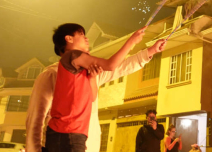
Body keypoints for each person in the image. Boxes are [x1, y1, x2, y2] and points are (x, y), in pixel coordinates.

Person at [25, 23, 166, 152]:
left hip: (85, 143)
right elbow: (35, 119)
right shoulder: (51, 74)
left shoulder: (89, 72)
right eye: (81, 34)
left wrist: (150, 51)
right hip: (63, 140)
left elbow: (120, 68)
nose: (86, 39)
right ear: (68, 40)